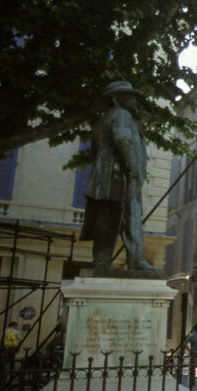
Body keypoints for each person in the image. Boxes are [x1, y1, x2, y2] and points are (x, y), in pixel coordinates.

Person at [78, 81, 161, 274]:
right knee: (130, 216)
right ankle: (136, 260)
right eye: (129, 96)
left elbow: (95, 151)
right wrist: (132, 171)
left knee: (106, 221)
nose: (134, 100)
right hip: (119, 176)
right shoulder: (122, 115)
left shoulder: (102, 120)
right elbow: (123, 141)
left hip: (103, 178)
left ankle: (101, 263)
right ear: (117, 99)